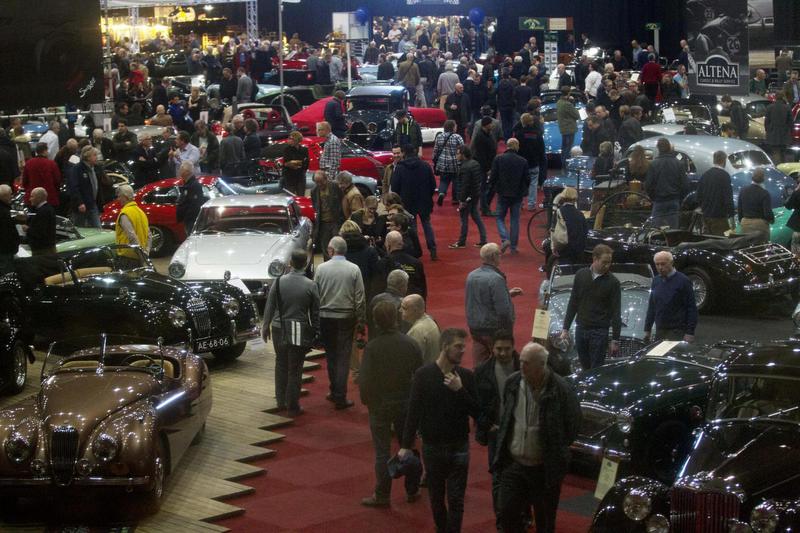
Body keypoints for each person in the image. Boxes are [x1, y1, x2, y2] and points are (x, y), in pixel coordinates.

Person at [493, 342, 581, 533]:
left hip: (544, 470)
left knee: (545, 522)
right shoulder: (513, 383)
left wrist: (555, 449)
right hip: (514, 465)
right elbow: (507, 418)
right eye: (521, 361)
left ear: (541, 364)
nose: (521, 366)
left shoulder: (562, 389)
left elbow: (572, 426)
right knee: (507, 515)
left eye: (527, 363)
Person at [399, 328, 480, 533]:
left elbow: (478, 412)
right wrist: (406, 445)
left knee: (456, 499)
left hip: (458, 445)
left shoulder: (466, 377)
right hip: (432, 446)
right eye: (458, 346)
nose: (463, 350)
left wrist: (460, 390)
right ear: (444, 346)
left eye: (464, 346)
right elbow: (413, 412)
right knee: (436, 497)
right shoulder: (423, 375)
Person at [359, 299, 424, 507]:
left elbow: (365, 380)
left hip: (380, 405)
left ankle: (382, 494)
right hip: (405, 402)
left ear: (376, 322)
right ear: (396, 318)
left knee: (382, 452)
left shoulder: (372, 347)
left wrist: (368, 401)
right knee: (408, 446)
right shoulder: (410, 343)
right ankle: (412, 489)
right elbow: (420, 375)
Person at [263, 249, 320, 417]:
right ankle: (293, 406)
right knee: (295, 368)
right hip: (298, 329)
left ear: (291, 263)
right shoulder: (311, 285)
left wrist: (265, 326)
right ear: (306, 264)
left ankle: (280, 401)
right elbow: (315, 313)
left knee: (280, 364)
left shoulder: (278, 282)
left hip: (278, 328)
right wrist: (316, 332)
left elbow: (270, 306)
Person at [475, 330, 520, 528]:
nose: (502, 353)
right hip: (496, 432)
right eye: (499, 349)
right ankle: (501, 519)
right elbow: (478, 404)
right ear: (492, 349)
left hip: (519, 430)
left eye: (506, 349)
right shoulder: (482, 371)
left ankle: (522, 514)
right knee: (498, 477)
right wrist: (487, 425)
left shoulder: (524, 366)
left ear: (513, 347)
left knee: (521, 475)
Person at [315, 236, 366, 410]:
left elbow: (315, 294)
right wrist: (361, 320)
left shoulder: (321, 269)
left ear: (331, 250)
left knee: (331, 355)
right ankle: (340, 395)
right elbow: (360, 298)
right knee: (344, 357)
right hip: (346, 317)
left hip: (326, 317)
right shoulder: (354, 269)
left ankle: (334, 390)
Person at [560, 244, 621, 370]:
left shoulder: (613, 282)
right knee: (584, 367)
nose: (607, 266)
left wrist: (615, 339)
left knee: (596, 369)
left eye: (609, 263)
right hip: (581, 329)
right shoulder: (581, 275)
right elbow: (573, 302)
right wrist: (565, 328)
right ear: (595, 259)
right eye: (604, 262)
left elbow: (616, 312)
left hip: (600, 332)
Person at [465, 243, 522, 367]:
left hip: (475, 329)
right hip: (493, 330)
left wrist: (508, 294)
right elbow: (503, 311)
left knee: (479, 365)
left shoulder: (471, 276)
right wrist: (507, 332)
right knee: (501, 364)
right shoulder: (496, 279)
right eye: (499, 255)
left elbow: (478, 299)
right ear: (494, 257)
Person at [391, 144, 438, 261]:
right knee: (427, 225)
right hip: (424, 201)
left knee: (412, 228)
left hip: (407, 203)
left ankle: (415, 251)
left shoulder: (400, 168)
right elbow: (433, 185)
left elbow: (395, 187)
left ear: (403, 153)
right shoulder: (425, 166)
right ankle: (433, 249)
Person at [644, 251, 698, 343]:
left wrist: (690, 332)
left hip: (677, 331)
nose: (660, 267)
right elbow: (652, 307)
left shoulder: (683, 281)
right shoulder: (656, 281)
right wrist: (647, 329)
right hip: (660, 330)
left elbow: (691, 308)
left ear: (671, 263)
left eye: (663, 264)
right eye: (657, 264)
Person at [490, 138, 529, 254]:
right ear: (517, 147)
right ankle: (513, 247)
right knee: (515, 220)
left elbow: (493, 176)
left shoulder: (498, 159)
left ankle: (505, 238)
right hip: (517, 195)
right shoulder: (523, 161)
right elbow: (527, 179)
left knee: (499, 217)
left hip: (503, 193)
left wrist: (494, 187)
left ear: (507, 146)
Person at [645, 138, 689, 229]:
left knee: (656, 231)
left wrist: (654, 198)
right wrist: (679, 198)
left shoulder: (653, 164)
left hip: (659, 201)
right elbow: (685, 185)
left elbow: (648, 185)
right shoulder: (678, 164)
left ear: (658, 148)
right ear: (669, 148)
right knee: (673, 230)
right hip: (674, 200)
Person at [449, 145, 487, 249]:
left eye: (458, 153)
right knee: (476, 217)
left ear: (463, 154)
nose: (456, 155)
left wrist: (462, 200)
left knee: (464, 220)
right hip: (475, 195)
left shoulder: (464, 168)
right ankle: (483, 239)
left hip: (467, 197)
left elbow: (464, 185)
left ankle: (462, 241)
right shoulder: (475, 163)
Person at [696, 150, 734, 235]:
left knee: (708, 239)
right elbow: (728, 197)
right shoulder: (725, 176)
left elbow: (698, 196)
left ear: (714, 160)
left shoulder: (705, 175)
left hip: (706, 216)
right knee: (723, 239)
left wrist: (704, 209)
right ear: (724, 161)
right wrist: (731, 213)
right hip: (719, 217)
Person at [513, 113, 546, 205]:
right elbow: (542, 151)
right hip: (534, 163)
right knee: (533, 184)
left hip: (521, 163)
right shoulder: (538, 135)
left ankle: (520, 203)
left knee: (520, 183)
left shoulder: (518, 135)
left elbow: (515, 150)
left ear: (522, 122)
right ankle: (531, 204)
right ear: (531, 122)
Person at [68, 146, 105, 228]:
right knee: (80, 229)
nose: (96, 157)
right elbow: (74, 187)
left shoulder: (96, 168)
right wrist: (80, 203)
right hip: (81, 206)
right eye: (94, 155)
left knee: (98, 229)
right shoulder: (77, 169)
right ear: (87, 157)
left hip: (93, 204)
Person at [383, 230, 427, 300]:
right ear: (402, 243)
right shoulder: (416, 262)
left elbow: (379, 286)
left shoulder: (383, 263)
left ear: (388, 245)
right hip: (413, 300)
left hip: (390, 301)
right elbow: (422, 287)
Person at [311, 170, 343, 261]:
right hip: (323, 223)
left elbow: (342, 200)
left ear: (326, 179)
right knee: (325, 247)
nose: (319, 184)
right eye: (317, 182)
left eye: (321, 182)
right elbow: (315, 207)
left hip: (335, 221)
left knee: (337, 245)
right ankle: (328, 264)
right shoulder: (314, 191)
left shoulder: (335, 186)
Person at [551, 187, 587, 265]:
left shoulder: (559, 212)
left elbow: (553, 230)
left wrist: (553, 247)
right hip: (577, 249)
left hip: (564, 248)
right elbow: (585, 232)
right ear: (575, 199)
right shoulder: (580, 214)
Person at [369, 268, 409, 338]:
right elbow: (404, 331)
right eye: (406, 285)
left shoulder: (375, 299)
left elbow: (370, 325)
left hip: (375, 340)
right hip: (395, 342)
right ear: (401, 286)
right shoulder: (403, 304)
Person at [401, 294, 440, 365]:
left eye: (404, 308)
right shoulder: (430, 320)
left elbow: (413, 360)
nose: (400, 310)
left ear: (415, 311)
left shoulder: (417, 331)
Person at [738, 168, 774, 244]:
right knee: (762, 248)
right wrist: (772, 220)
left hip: (745, 223)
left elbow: (739, 209)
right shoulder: (764, 193)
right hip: (760, 224)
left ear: (752, 177)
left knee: (747, 247)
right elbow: (767, 213)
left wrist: (742, 221)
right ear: (763, 179)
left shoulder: (743, 190)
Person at [433, 121, 464, 207]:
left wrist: (434, 159)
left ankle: (441, 193)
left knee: (443, 180)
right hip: (455, 163)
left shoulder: (439, 136)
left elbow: (435, 150)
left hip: (443, 163)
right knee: (456, 181)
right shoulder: (457, 137)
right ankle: (455, 198)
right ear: (453, 127)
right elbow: (462, 149)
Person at [471, 116, 498, 216]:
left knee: (488, 187)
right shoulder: (480, 137)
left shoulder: (488, 134)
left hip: (489, 165)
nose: (493, 125)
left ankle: (485, 206)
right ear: (486, 125)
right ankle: (485, 208)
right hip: (483, 166)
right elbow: (481, 155)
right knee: (483, 188)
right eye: (491, 123)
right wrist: (488, 168)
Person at [114, 184, 151, 255]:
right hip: (142, 254)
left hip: (128, 255)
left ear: (125, 197)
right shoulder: (141, 212)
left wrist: (140, 253)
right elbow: (149, 235)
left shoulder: (125, 214)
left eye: (119, 196)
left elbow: (132, 236)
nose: (118, 199)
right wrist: (146, 252)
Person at [22, 143, 61, 209]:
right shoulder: (52, 164)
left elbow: (24, 181)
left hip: (32, 198)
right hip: (49, 198)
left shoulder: (29, 163)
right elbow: (57, 180)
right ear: (45, 151)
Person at [24, 187, 56, 256]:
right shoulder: (45, 209)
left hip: (43, 250)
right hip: (44, 248)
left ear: (39, 198)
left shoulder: (44, 211)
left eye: (32, 196)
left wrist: (27, 229)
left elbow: (40, 232)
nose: (30, 199)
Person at [175, 161, 205, 235]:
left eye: (181, 170)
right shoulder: (186, 185)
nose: (179, 172)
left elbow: (195, 205)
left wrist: (187, 217)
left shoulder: (194, 185)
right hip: (188, 220)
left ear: (187, 172)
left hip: (192, 220)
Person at [765, 94, 793, 164]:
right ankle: (783, 166)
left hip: (773, 134)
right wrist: (789, 131)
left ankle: (777, 166)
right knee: (783, 152)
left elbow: (766, 122)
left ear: (775, 98)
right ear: (783, 98)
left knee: (775, 152)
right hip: (784, 134)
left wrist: (768, 131)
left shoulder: (769, 107)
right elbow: (791, 122)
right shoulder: (787, 108)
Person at [556, 87, 580, 163]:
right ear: (569, 93)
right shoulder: (567, 104)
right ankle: (565, 164)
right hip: (569, 128)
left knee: (564, 147)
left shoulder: (559, 102)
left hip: (563, 128)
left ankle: (562, 163)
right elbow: (577, 115)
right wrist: (572, 102)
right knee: (568, 148)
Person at [281, 131, 309, 196]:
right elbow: (286, 163)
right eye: (289, 138)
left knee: (301, 196)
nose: (289, 140)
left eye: (291, 139)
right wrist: (297, 163)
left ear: (297, 140)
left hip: (300, 176)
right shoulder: (286, 149)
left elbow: (306, 163)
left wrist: (295, 162)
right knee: (291, 197)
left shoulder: (304, 149)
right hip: (289, 176)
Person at [0, 184, 19, 274]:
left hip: (4, 248)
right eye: (10, 194)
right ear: (4, 196)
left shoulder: (5, 209)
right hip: (5, 249)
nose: (12, 196)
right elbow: (8, 232)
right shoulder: (4, 212)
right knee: (7, 273)